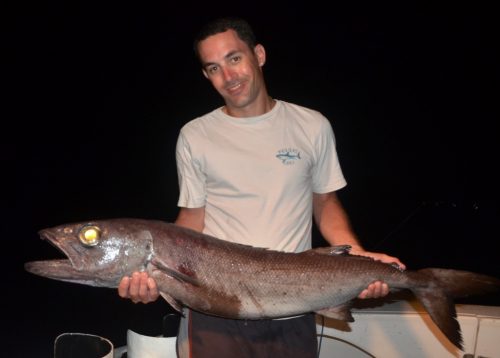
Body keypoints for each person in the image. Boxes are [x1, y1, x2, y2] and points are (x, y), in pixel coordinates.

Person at [118, 17, 405, 357]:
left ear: (259, 54)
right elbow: (192, 218)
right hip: (214, 309)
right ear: (206, 76)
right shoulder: (195, 135)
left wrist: (356, 255)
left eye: (234, 58)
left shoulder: (312, 126)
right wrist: (154, 272)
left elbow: (325, 203)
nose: (228, 76)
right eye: (213, 68)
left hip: (294, 306)